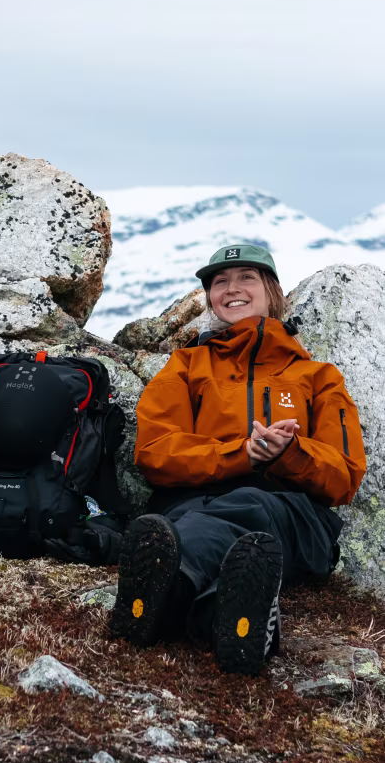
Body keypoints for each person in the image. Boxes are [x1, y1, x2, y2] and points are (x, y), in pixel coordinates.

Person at [110, 244, 366, 675]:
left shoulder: (318, 377)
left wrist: (289, 453)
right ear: (210, 297)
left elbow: (345, 476)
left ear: (271, 290)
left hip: (293, 515)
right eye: (219, 282)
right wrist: (241, 454)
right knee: (211, 524)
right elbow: (155, 452)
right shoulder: (186, 366)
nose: (232, 289)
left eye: (246, 277)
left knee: (251, 506)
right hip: (197, 503)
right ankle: (224, 618)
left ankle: (161, 596)